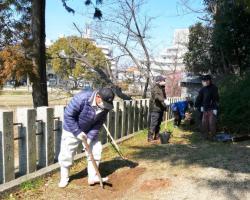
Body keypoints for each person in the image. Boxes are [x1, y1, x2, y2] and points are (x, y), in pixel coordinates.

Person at [58, 87, 115, 188]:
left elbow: (99, 123)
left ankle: (93, 177)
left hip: (89, 130)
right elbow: (68, 115)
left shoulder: (106, 106)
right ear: (98, 97)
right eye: (104, 103)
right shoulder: (82, 98)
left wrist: (90, 137)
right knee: (67, 153)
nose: (105, 107)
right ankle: (64, 178)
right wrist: (77, 132)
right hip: (71, 129)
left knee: (96, 150)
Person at [195, 75, 219, 140]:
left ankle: (213, 136)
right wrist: (198, 106)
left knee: (212, 124)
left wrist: (215, 108)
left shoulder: (214, 88)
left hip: (212, 109)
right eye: (205, 81)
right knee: (204, 124)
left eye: (207, 80)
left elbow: (216, 99)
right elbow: (199, 98)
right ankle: (205, 136)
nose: (206, 82)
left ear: (210, 80)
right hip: (205, 109)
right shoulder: (203, 89)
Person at [148, 75, 168, 142]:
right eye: (163, 80)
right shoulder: (155, 87)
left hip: (160, 108)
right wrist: (163, 100)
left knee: (159, 123)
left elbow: (164, 97)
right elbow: (156, 97)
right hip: (155, 108)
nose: (164, 82)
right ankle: (150, 137)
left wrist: (165, 106)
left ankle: (157, 136)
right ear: (159, 81)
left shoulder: (162, 88)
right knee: (154, 123)